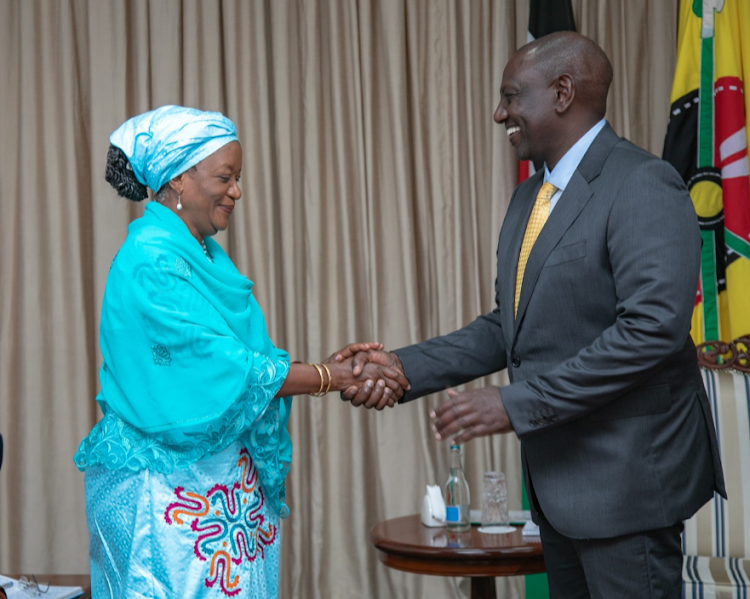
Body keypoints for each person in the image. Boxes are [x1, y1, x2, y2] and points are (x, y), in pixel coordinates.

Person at [343, 32, 725, 598]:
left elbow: (651, 331)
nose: (501, 114)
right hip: (559, 490)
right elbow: (509, 327)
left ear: (563, 92)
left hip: (628, 487)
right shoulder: (532, 197)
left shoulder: (642, 183)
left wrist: (513, 403)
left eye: (511, 97)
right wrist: (400, 367)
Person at [74, 105, 406, 599]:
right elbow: (212, 366)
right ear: (180, 179)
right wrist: (325, 376)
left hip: (221, 495)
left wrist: (324, 370)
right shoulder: (149, 261)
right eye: (225, 177)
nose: (237, 191)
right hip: (163, 493)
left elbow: (250, 362)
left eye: (239, 177)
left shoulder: (207, 257)